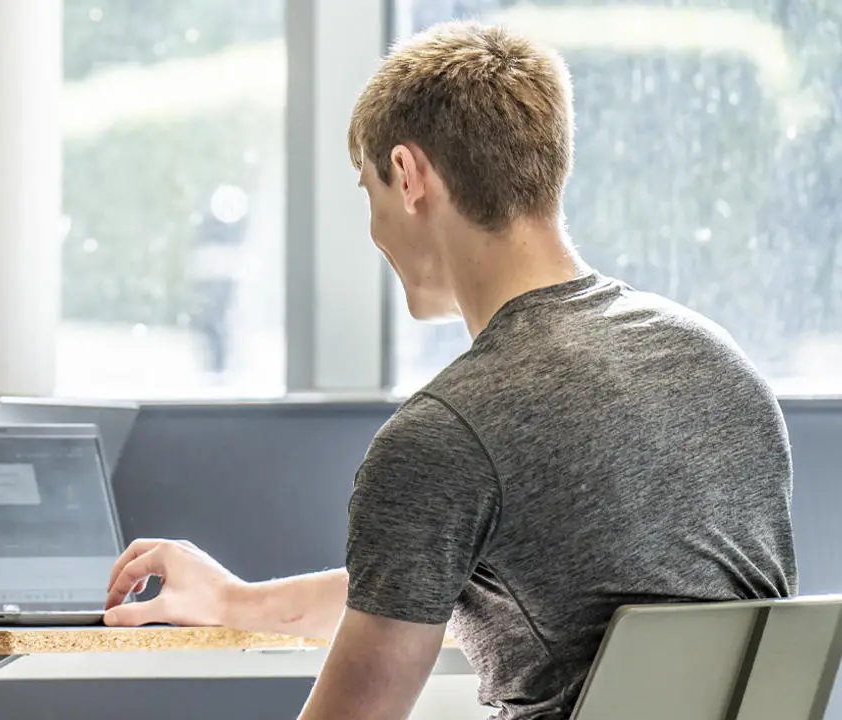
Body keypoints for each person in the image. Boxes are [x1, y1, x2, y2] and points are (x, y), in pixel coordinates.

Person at [103, 22, 795, 720]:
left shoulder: (446, 437)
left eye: (368, 190)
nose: (373, 229)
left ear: (408, 176)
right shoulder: (721, 369)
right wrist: (236, 603)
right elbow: (431, 579)